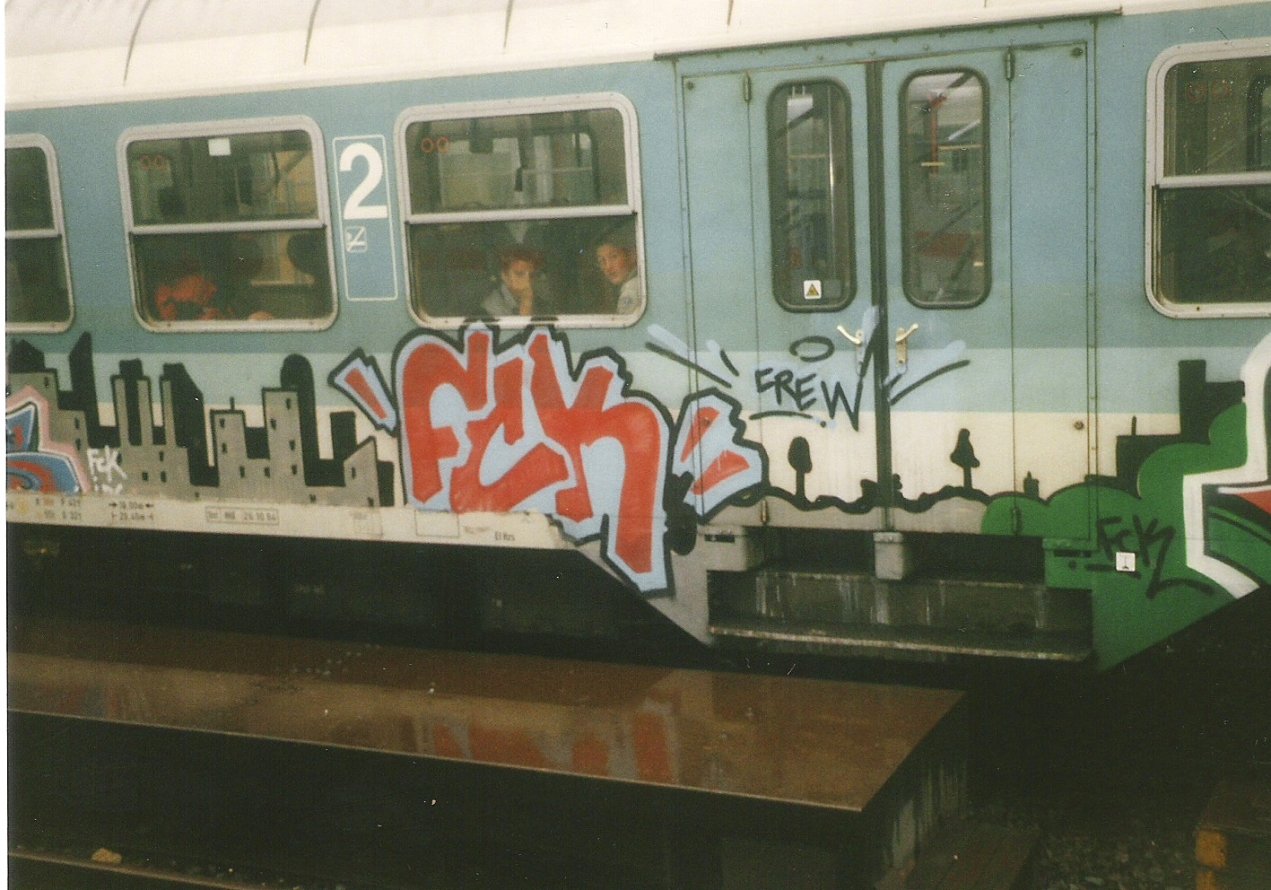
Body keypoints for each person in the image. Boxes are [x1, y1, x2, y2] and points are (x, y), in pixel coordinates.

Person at [482, 245, 543, 316]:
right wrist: (526, 303)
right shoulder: (489, 309)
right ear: (504, 276)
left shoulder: (541, 302)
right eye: (519, 274)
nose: (528, 282)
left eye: (531, 276)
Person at [595, 229, 640, 314]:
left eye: (614, 257)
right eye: (602, 261)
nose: (608, 267)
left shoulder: (631, 289)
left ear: (632, 256)